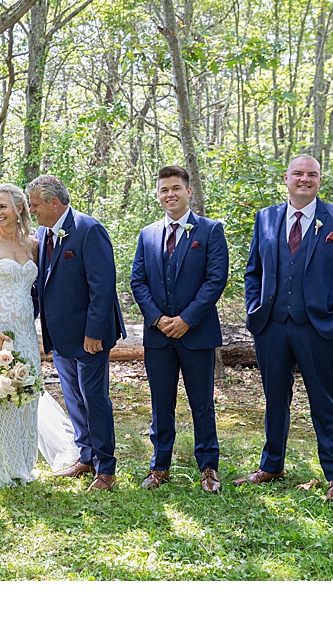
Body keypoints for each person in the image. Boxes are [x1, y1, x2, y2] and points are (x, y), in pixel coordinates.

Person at [236, 155, 333, 501]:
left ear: (320, 180)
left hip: (319, 328)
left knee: (324, 400)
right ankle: (272, 465)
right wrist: (254, 309)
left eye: (312, 174)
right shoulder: (266, 217)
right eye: (298, 174)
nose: (304, 179)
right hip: (271, 326)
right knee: (275, 399)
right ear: (286, 178)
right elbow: (253, 272)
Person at [0, 184, 78, 486]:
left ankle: (22, 465)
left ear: (19, 209)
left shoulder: (34, 245)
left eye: (3, 206)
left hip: (26, 329)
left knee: (27, 391)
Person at [131, 166, 229, 492]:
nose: (169, 194)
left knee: (201, 404)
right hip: (158, 336)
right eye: (163, 189)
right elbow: (138, 281)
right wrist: (158, 320)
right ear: (157, 194)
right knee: (161, 404)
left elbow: (216, 281)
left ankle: (209, 468)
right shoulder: (147, 234)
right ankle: (159, 466)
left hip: (197, 334)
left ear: (188, 191)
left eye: (176, 188)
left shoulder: (210, 231)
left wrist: (187, 319)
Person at [27, 175, 126, 491]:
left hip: (90, 336)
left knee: (94, 399)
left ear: (54, 203)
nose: (32, 211)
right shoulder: (43, 234)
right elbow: (43, 286)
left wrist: (94, 332)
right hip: (61, 337)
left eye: (36, 205)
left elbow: (103, 286)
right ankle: (86, 457)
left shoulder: (89, 229)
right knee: (73, 398)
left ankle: (106, 468)